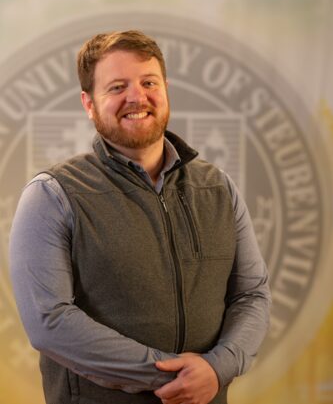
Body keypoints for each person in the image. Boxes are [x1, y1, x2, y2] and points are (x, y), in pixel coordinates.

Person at [9, 30, 271, 404]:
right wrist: (174, 375)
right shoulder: (52, 195)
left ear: (165, 90)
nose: (137, 97)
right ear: (88, 103)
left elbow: (252, 293)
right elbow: (49, 322)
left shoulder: (219, 188)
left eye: (148, 82)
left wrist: (218, 368)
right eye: (117, 87)